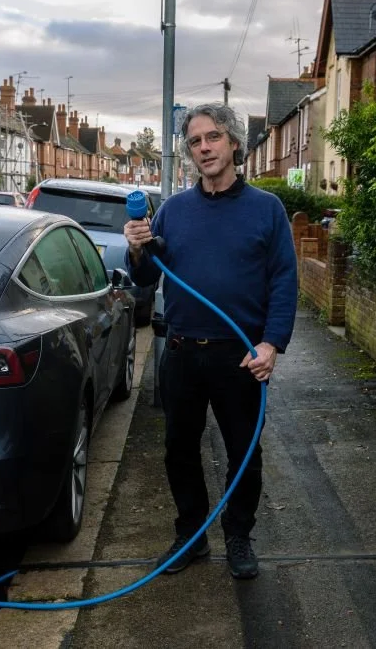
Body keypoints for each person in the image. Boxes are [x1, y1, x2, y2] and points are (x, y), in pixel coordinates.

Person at [123, 103, 298, 580]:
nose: (204, 148)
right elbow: (144, 276)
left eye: (213, 138)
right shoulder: (174, 212)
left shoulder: (267, 209)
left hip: (240, 357)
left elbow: (284, 281)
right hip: (181, 352)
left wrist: (271, 345)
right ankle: (191, 536)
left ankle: (238, 536)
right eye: (196, 141)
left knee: (244, 452)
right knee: (179, 450)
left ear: (235, 143)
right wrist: (137, 246)